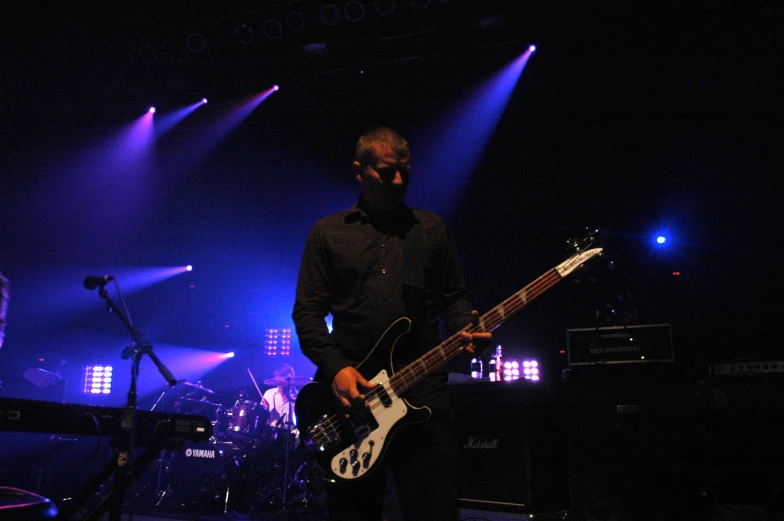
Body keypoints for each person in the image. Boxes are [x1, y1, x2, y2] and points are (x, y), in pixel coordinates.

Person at [292, 127, 490, 521]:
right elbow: (307, 313)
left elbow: (453, 297)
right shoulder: (327, 233)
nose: (398, 181)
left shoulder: (430, 229)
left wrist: (464, 329)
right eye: (386, 172)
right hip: (354, 403)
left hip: (424, 395)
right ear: (359, 171)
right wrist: (337, 369)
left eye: (405, 172)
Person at [261, 363, 297, 427]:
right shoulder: (268, 394)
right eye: (279, 380)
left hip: (291, 433)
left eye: (284, 380)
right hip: (271, 433)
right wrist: (264, 410)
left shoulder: (297, 396)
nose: (281, 383)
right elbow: (261, 417)